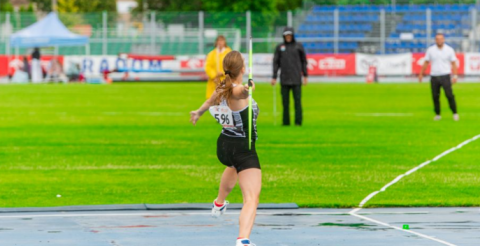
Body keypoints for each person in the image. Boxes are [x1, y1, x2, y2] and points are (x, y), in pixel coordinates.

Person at [190, 51, 261, 246]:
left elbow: (208, 102)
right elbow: (240, 93)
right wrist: (248, 88)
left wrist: (198, 112)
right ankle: (243, 240)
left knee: (233, 166)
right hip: (242, 149)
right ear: (243, 69)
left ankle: (219, 203)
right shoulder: (236, 90)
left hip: (224, 146)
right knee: (251, 198)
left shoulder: (222, 86)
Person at [271, 27, 308, 126]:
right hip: (284, 79)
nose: (288, 37)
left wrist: (305, 75)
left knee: (297, 102)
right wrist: (274, 77)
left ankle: (298, 122)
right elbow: (276, 63)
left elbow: (304, 61)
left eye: (289, 35)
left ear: (292, 35)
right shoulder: (280, 47)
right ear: (284, 36)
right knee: (285, 103)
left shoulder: (298, 46)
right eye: (286, 35)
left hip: (296, 79)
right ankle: (285, 122)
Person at [419, 33, 459, 121]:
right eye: (437, 39)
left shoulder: (449, 50)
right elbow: (426, 62)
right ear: (435, 40)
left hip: (445, 75)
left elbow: (453, 63)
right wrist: (421, 73)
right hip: (434, 76)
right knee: (435, 96)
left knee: (449, 95)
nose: (439, 40)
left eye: (441, 39)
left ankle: (455, 113)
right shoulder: (431, 50)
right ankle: (437, 114)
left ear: (443, 39)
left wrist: (455, 75)